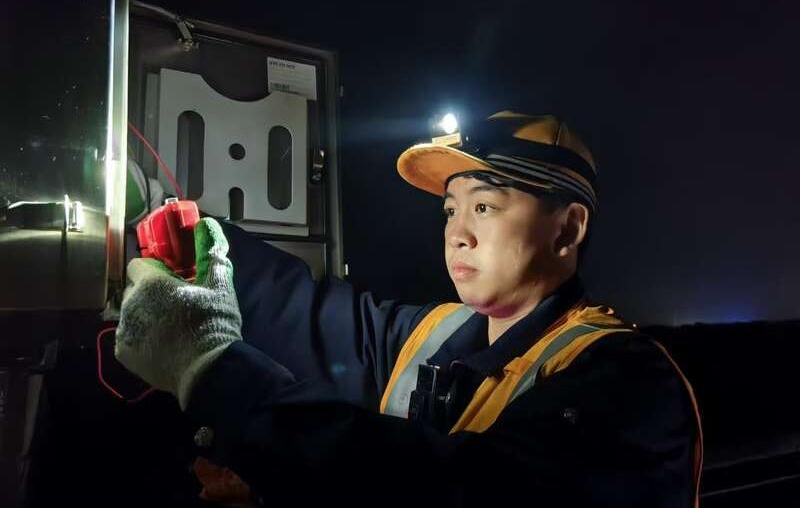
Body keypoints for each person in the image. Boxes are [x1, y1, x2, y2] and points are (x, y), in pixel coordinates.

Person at [116, 111, 703, 507]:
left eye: (485, 207)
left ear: (568, 230)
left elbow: (448, 488)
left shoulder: (627, 382)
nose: (457, 234)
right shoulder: (437, 334)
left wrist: (213, 371)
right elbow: (303, 309)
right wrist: (176, 225)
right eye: (450, 210)